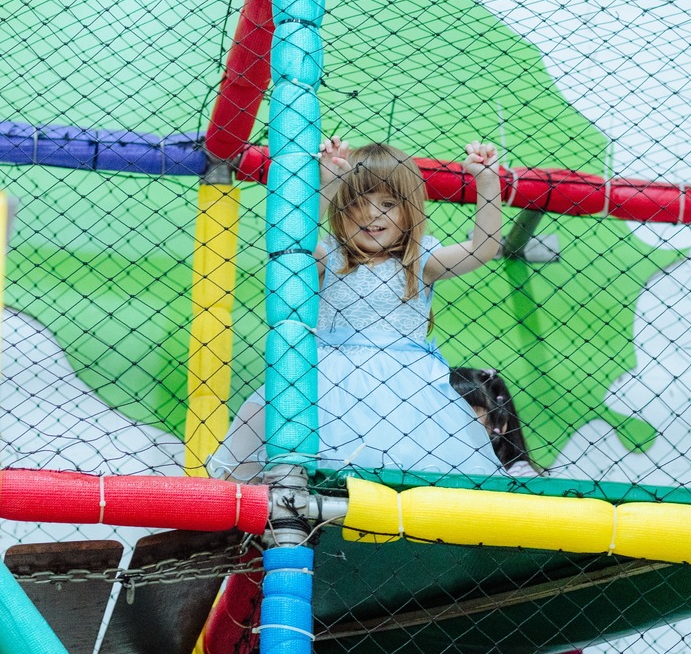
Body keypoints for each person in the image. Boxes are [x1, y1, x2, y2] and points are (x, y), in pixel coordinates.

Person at [208, 137, 505, 481]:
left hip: (403, 394)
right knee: (256, 464)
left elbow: (483, 248)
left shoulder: (421, 261)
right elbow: (290, 241)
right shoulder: (328, 256)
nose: (370, 214)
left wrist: (486, 181)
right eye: (356, 203)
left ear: (410, 211)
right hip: (322, 383)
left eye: (388, 203)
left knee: (405, 474)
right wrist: (327, 184)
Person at [444, 368, 605, 654]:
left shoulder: (518, 477)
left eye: (465, 413)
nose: (453, 424)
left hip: (539, 628)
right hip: (478, 645)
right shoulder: (440, 475)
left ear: (496, 424)